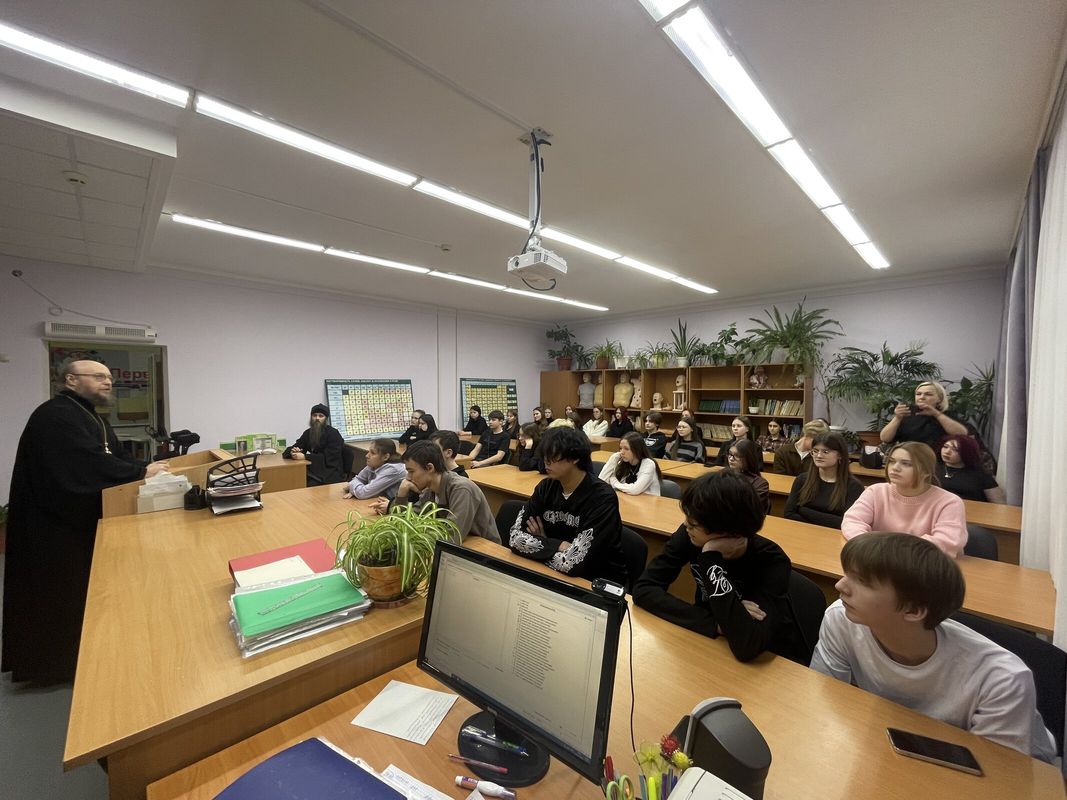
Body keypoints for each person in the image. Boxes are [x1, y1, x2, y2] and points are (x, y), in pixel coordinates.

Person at [811, 533, 1055, 762]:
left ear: (913, 610)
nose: (840, 585)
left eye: (862, 581)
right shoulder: (841, 619)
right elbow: (824, 700)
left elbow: (995, 773)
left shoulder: (1002, 679)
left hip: (1011, 771)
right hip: (891, 748)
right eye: (847, 574)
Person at [3, 359, 170, 683]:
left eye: (109, 377)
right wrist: (138, 472)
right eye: (98, 376)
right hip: (54, 525)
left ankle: (84, 654)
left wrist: (143, 468)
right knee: (60, 596)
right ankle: (54, 667)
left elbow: (114, 456)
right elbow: (82, 465)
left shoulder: (91, 416)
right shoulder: (55, 416)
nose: (108, 382)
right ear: (71, 380)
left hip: (78, 521)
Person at [633, 471, 806, 663]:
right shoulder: (689, 534)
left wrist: (710, 556)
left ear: (728, 529)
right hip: (708, 644)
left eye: (695, 523)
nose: (686, 524)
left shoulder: (772, 561)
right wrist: (719, 621)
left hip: (768, 659)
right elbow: (643, 589)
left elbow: (747, 644)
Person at [508, 426, 627, 583]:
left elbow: (572, 564)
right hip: (554, 576)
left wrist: (540, 546)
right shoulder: (545, 487)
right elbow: (515, 538)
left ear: (575, 457)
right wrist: (557, 545)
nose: (546, 461)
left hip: (594, 582)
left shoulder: (602, 497)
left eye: (553, 455)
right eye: (545, 455)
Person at [842, 442, 968, 557]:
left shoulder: (949, 502)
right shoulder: (875, 491)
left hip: (924, 565)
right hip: (878, 559)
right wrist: (872, 545)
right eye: (892, 461)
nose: (895, 468)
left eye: (906, 464)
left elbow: (946, 542)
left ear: (926, 471)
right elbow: (852, 521)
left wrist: (889, 549)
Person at [373, 441, 500, 544]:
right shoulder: (431, 490)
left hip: (486, 553)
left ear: (429, 468)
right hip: (462, 547)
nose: (408, 477)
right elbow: (407, 521)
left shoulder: (461, 489)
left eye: (411, 471)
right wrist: (401, 495)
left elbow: (452, 536)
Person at [784, 432, 865, 528]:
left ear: (840, 455)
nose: (818, 456)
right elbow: (789, 514)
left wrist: (803, 510)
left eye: (825, 452)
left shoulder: (853, 487)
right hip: (801, 531)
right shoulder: (802, 479)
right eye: (815, 451)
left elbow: (845, 523)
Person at [879, 381, 967, 450]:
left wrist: (937, 414)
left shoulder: (946, 414)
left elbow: (962, 434)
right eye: (918, 394)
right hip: (909, 457)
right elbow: (885, 438)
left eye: (928, 394)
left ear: (939, 399)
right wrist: (897, 418)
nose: (922, 397)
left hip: (936, 461)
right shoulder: (907, 413)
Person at [283, 403, 346, 485]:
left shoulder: (333, 434)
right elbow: (294, 447)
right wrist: (293, 451)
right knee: (292, 476)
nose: (317, 418)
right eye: (314, 415)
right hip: (314, 468)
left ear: (326, 419)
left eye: (321, 416)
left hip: (330, 472)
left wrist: (305, 456)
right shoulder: (308, 433)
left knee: (305, 482)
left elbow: (328, 458)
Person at [938, 434, 1006, 503]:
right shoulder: (934, 468)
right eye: (945, 447)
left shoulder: (980, 474)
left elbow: (999, 503)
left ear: (966, 453)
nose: (947, 452)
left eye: (955, 450)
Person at [598, 431, 663, 496]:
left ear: (637, 449)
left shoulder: (648, 464)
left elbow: (635, 490)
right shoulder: (624, 463)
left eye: (626, 449)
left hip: (649, 500)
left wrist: (614, 482)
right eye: (620, 448)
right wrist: (613, 459)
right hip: (629, 499)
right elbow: (601, 481)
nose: (622, 452)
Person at [724, 438, 770, 512]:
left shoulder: (760, 484)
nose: (731, 459)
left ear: (748, 458)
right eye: (730, 454)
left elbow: (751, 510)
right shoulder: (722, 476)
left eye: (737, 455)